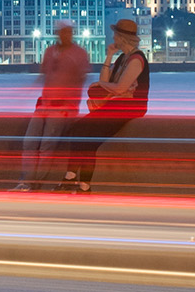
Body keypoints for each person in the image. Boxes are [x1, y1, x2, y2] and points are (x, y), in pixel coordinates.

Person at [57, 18, 150, 193]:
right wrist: (108, 56)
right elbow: (106, 81)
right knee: (85, 136)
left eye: (116, 34)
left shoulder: (136, 60)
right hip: (117, 104)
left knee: (81, 130)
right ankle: (82, 184)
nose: (113, 36)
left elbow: (121, 88)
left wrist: (100, 86)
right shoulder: (123, 58)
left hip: (130, 106)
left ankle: (72, 178)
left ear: (122, 37)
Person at [12, 20, 92, 190]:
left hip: (63, 108)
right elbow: (45, 76)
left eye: (68, 32)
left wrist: (70, 104)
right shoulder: (49, 51)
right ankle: (24, 181)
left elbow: (82, 79)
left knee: (47, 146)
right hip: (44, 104)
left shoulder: (79, 54)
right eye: (62, 31)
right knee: (29, 142)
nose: (65, 35)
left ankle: (34, 183)